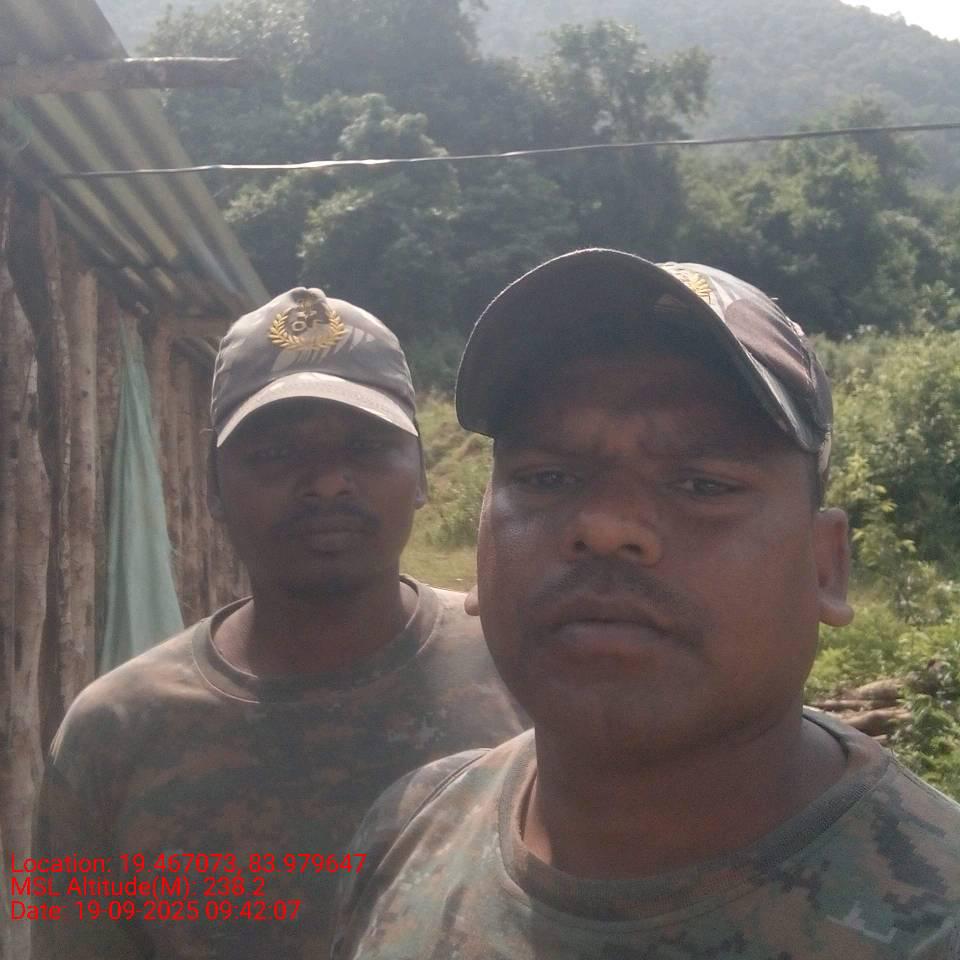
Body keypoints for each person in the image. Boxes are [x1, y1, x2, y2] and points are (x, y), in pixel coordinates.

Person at [331, 250, 960, 959]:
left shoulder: (934, 920)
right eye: (547, 477)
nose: (605, 525)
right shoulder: (409, 831)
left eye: (703, 485)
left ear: (825, 567)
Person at [30, 287, 526, 959]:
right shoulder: (114, 736)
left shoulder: (524, 671)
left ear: (421, 477)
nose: (327, 483)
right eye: (274, 454)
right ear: (212, 487)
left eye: (366, 447)